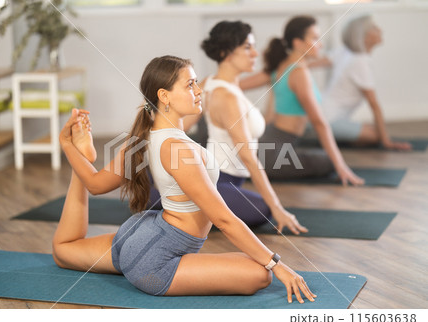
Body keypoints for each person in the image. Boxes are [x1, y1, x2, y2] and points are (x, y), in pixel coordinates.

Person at [53, 55, 316, 302]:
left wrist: (75, 152)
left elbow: (95, 184)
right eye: (190, 85)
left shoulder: (144, 137)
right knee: (260, 274)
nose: (199, 90)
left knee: (63, 250)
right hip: (155, 260)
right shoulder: (177, 149)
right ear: (164, 96)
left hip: (142, 234)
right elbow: (223, 219)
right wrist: (278, 265)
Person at [149, 21, 307, 234]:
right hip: (218, 179)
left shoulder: (211, 83)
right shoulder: (226, 96)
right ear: (226, 53)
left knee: (258, 208)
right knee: (264, 210)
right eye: (247, 47)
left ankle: (174, 195)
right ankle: (167, 197)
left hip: (226, 179)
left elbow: (180, 126)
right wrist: (278, 208)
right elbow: (249, 158)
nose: (255, 53)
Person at [240, 16, 364, 186]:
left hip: (269, 143)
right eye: (314, 38)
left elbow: (237, 85)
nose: (319, 44)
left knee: (318, 153)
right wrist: (340, 166)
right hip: (274, 154)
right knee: (328, 162)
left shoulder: (281, 66)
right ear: (298, 43)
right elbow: (320, 123)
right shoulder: (299, 73)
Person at [311, 15, 411, 150]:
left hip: (317, 114)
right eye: (374, 28)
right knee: (376, 135)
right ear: (363, 36)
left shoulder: (345, 52)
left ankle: (327, 137)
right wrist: (386, 141)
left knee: (372, 129)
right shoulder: (360, 61)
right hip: (328, 120)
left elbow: (311, 64)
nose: (380, 30)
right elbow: (374, 105)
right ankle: (327, 138)